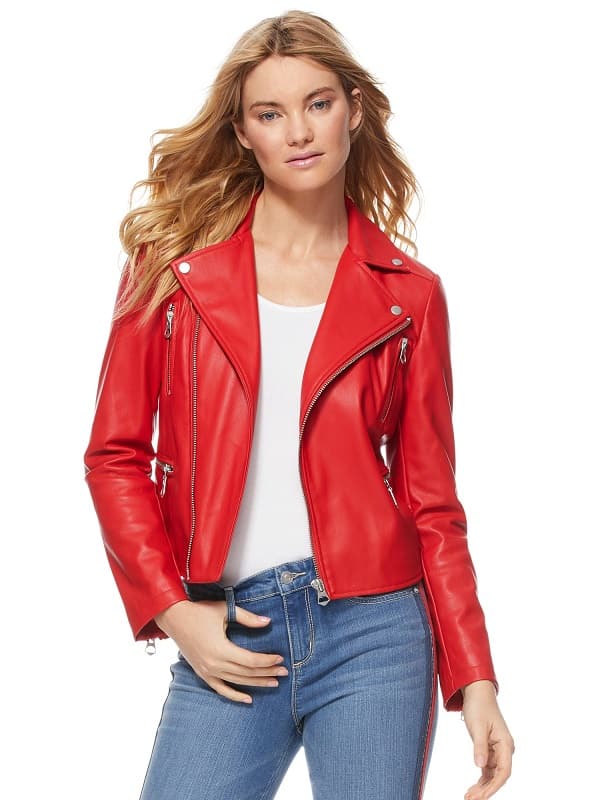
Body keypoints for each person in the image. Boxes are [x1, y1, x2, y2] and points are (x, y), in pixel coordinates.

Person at [83, 10, 514, 800]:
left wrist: (474, 678)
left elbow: (431, 502)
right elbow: (114, 456)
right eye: (270, 113)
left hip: (377, 632)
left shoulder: (410, 297)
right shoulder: (171, 268)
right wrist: (172, 610)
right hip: (230, 629)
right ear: (242, 132)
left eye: (318, 103)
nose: (300, 131)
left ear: (354, 108)